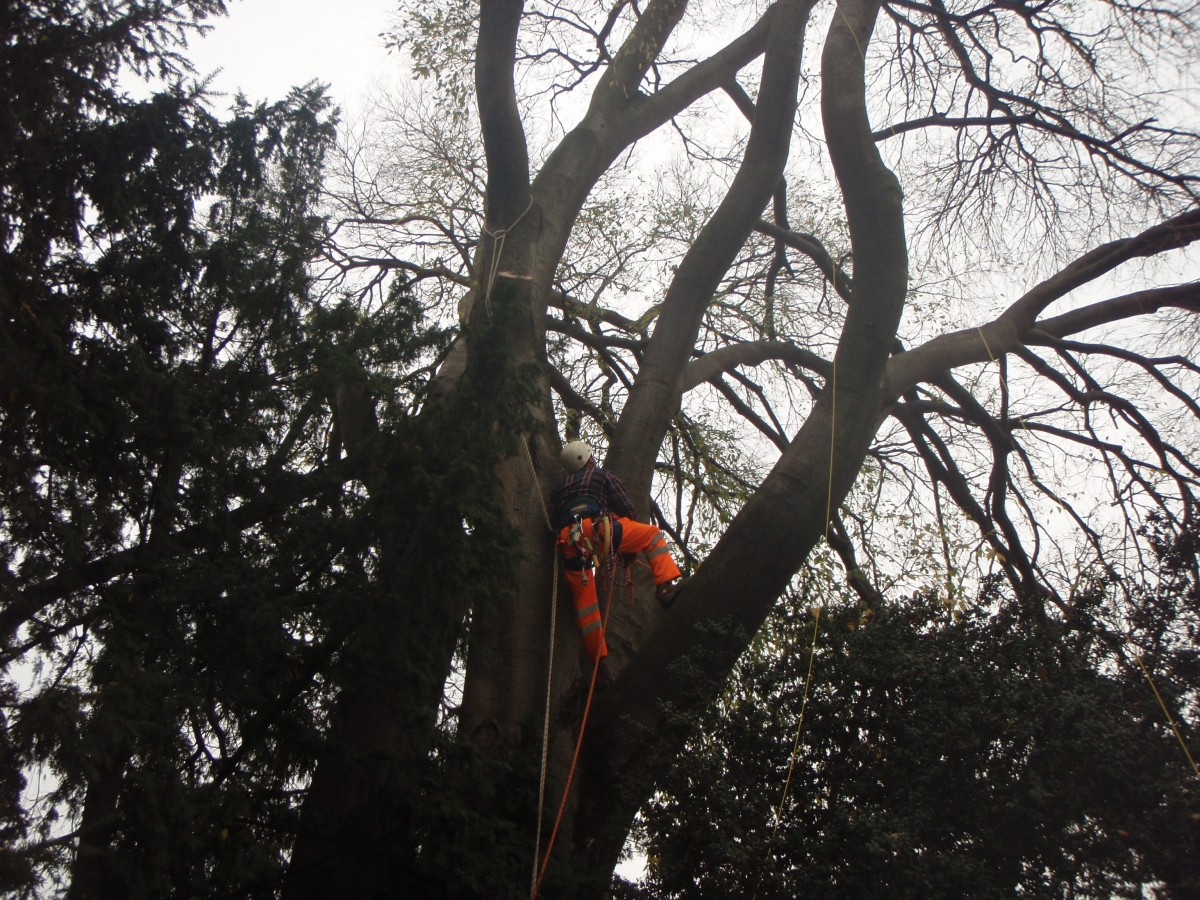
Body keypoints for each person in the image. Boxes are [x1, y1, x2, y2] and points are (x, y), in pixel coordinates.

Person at [551, 440, 685, 663]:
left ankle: (599, 661)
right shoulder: (602, 475)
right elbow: (626, 508)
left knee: (585, 605)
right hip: (599, 528)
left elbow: (555, 520)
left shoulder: (559, 489)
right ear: (588, 458)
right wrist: (629, 548)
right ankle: (665, 588)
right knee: (652, 535)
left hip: (569, 540)